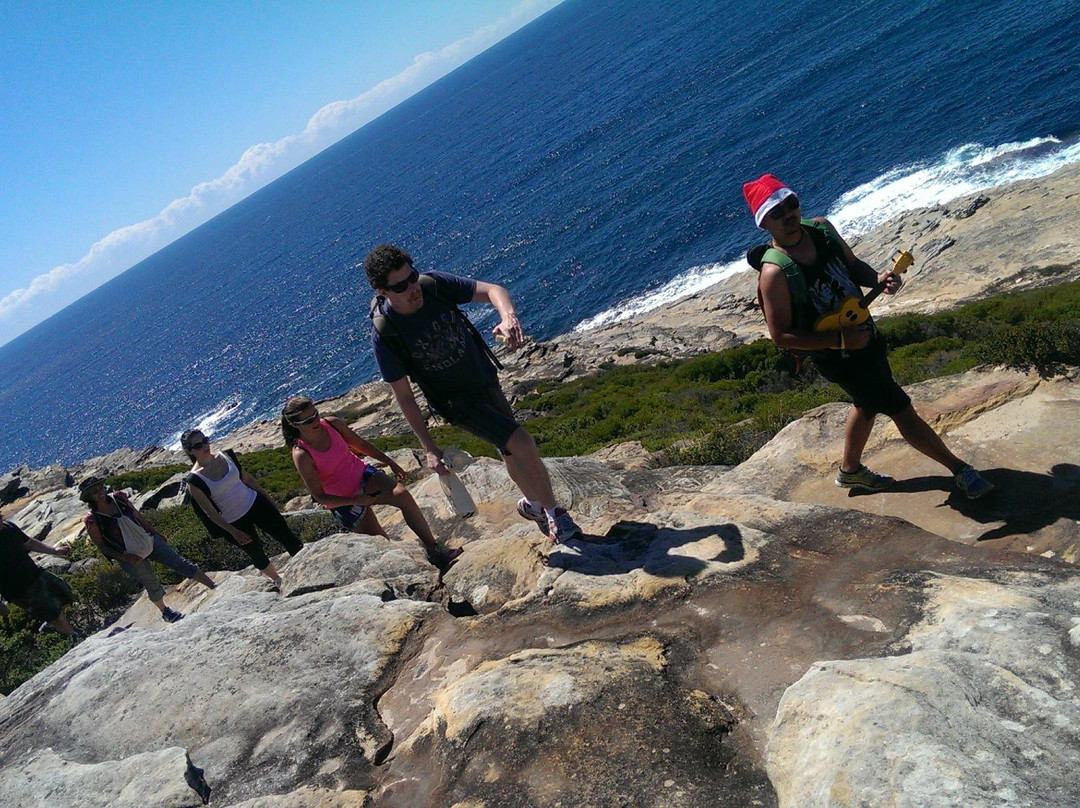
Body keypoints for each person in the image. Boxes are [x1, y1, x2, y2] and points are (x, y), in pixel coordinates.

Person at [743, 173, 994, 499]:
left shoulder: (821, 229)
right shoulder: (774, 273)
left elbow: (852, 266)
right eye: (777, 212)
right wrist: (839, 341)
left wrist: (878, 278)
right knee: (899, 408)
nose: (789, 214)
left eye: (791, 204)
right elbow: (782, 335)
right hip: (839, 356)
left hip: (865, 334)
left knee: (867, 404)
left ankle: (850, 471)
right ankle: (961, 470)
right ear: (765, 224)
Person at [363, 244, 583, 543]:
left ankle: (531, 504)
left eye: (412, 277)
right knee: (520, 440)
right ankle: (555, 514)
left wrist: (508, 317)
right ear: (381, 291)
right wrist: (429, 447)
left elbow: (494, 290)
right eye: (400, 286)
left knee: (509, 447)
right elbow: (404, 396)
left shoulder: (434, 285)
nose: (412, 288)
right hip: (455, 402)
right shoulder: (386, 332)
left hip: (483, 377)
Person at [281, 396, 461, 570]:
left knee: (402, 495)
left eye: (315, 414)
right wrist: (356, 501)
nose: (315, 421)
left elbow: (362, 445)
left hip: (362, 475)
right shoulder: (302, 454)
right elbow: (319, 496)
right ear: (294, 425)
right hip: (342, 499)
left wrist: (390, 462)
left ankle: (435, 549)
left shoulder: (332, 424)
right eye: (308, 421)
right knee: (382, 544)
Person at [80, 476, 216, 622]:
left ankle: (213, 586)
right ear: (89, 497)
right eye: (94, 491)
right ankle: (166, 611)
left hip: (148, 539)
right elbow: (102, 546)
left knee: (180, 563)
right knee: (151, 582)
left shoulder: (119, 498)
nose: (99, 491)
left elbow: (138, 516)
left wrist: (156, 533)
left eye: (100, 487)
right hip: (129, 555)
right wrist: (125, 558)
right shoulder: (92, 519)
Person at [181, 430, 304, 591]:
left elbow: (248, 480)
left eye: (205, 440)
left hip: (255, 502)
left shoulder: (226, 456)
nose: (205, 446)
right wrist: (233, 531)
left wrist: (268, 500)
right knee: (256, 553)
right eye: (198, 445)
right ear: (190, 451)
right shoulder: (194, 480)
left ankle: (305, 567)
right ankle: (277, 579)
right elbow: (210, 513)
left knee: (286, 535)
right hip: (234, 521)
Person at [0, 513, 76, 638]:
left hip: (34, 573)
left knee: (63, 591)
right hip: (17, 589)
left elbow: (28, 542)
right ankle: (72, 635)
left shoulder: (9, 527)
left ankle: (51, 626)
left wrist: (54, 551)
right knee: (52, 611)